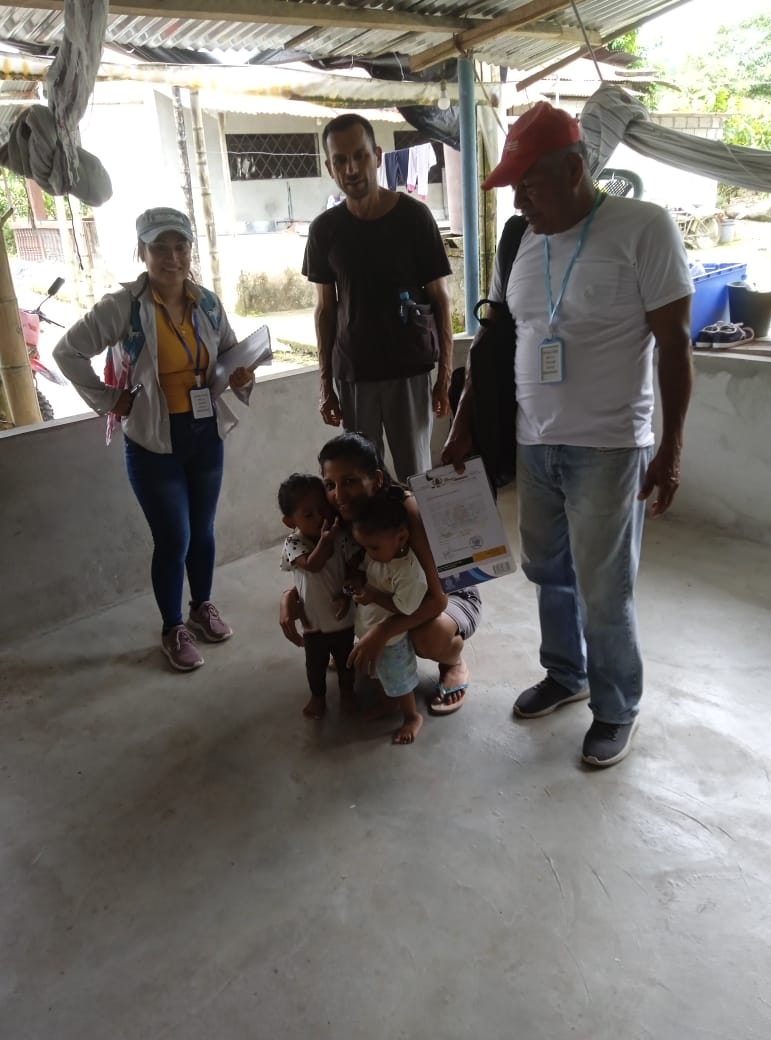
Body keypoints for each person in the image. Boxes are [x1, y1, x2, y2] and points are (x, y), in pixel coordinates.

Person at [444, 101, 694, 768]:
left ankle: (616, 707)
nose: (519, 200)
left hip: (610, 445)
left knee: (604, 588)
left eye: (530, 184)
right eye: (514, 187)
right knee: (548, 570)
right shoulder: (521, 240)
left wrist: (670, 449)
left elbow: (675, 346)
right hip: (534, 442)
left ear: (575, 169)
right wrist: (464, 425)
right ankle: (566, 672)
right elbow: (494, 343)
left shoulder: (644, 227)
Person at [53, 206, 253, 673]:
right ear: (141, 252)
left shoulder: (207, 303)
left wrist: (241, 374)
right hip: (151, 441)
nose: (172, 257)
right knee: (174, 537)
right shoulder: (123, 307)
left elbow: (230, 354)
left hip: (204, 435)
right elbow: (67, 351)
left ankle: (202, 607)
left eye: (180, 247)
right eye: (160, 248)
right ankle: (172, 627)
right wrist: (109, 399)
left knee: (203, 531)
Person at [279, 432, 480, 715]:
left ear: (376, 479)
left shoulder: (405, 510)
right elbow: (322, 571)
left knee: (429, 637)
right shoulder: (336, 513)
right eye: (330, 484)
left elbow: (438, 599)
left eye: (350, 481)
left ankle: (452, 661)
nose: (339, 495)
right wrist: (290, 596)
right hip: (387, 591)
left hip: (448, 591)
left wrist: (382, 632)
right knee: (339, 601)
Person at [302, 112, 454, 484]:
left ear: (378, 156)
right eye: (340, 160)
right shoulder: (325, 230)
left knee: (417, 478)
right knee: (362, 482)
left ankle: (418, 527)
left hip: (409, 371)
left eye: (360, 156)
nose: (351, 169)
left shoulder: (414, 218)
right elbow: (325, 311)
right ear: (330, 168)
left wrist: (445, 377)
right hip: (354, 375)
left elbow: (440, 299)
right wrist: (325, 386)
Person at [349, 492, 428, 745]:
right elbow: (366, 569)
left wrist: (373, 595)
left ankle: (412, 716)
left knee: (399, 679)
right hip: (371, 627)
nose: (368, 553)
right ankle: (388, 702)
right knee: (380, 673)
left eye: (373, 547)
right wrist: (357, 582)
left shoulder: (409, 572)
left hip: (393, 639)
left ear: (401, 537)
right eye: (365, 547)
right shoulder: (379, 554)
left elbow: (406, 608)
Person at [278, 472, 357, 719]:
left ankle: (347, 693)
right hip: (313, 623)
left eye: (323, 510)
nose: (320, 518)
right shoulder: (294, 543)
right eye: (308, 514)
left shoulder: (341, 537)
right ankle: (318, 697)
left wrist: (347, 594)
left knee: (346, 662)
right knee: (315, 665)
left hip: (343, 619)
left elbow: (352, 568)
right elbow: (313, 565)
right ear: (290, 522)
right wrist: (325, 541)